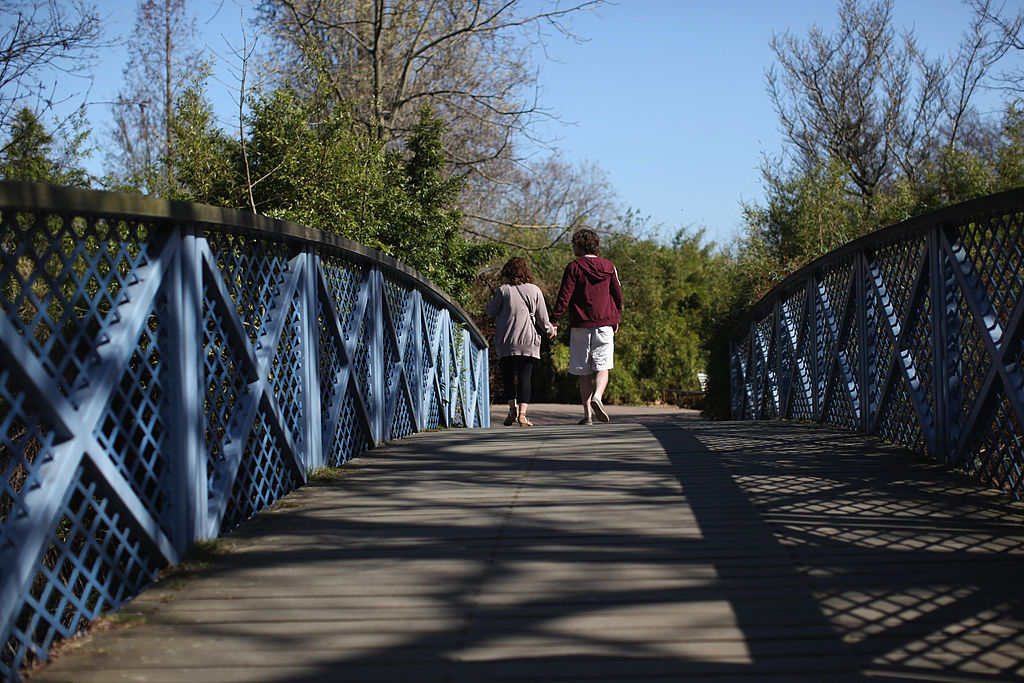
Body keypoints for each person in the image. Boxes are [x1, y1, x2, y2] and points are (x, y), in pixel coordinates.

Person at [550, 228, 623, 425]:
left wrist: (554, 320)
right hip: (605, 324)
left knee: (584, 371)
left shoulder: (574, 267)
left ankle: (587, 416)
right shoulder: (609, 266)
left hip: (581, 325)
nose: (573, 247)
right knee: (603, 366)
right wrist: (615, 318)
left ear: (581, 245)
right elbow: (617, 295)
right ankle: (598, 396)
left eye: (574, 244)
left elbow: (564, 296)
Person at [486, 257, 556, 427]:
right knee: (525, 377)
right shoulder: (535, 290)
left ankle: (512, 409)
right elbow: (542, 318)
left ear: (508, 272)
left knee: (508, 377)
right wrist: (549, 331)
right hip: (528, 340)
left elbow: (490, 312)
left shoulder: (503, 290)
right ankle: (523, 415)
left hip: (506, 341)